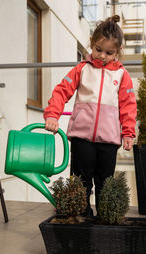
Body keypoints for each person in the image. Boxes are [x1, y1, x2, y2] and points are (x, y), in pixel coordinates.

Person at [44, 15, 137, 216]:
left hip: (109, 140)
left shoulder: (122, 75)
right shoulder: (82, 69)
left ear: (117, 52)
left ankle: (104, 217)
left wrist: (128, 133)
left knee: (105, 181)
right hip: (82, 137)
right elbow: (62, 91)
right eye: (98, 49)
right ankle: (80, 215)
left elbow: (128, 106)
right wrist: (53, 115)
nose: (102, 55)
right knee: (80, 179)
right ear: (91, 44)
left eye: (109, 52)